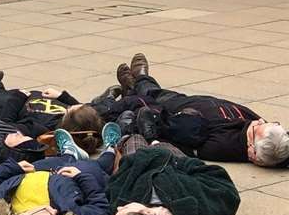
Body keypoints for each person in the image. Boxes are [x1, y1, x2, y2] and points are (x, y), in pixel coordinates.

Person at [93, 54, 288, 167]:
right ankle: (134, 85)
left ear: (252, 153)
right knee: (153, 92)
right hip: (190, 100)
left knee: (151, 92)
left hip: (169, 108)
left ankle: (138, 81)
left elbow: (184, 138)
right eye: (268, 122)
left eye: (257, 129)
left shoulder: (223, 145)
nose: (258, 122)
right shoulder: (266, 137)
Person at [95, 140, 239, 215]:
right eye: (125, 209)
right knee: (161, 142)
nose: (120, 207)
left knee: (132, 138)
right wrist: (179, 162)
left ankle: (126, 133)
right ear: (148, 214)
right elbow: (220, 182)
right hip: (174, 160)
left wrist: (133, 162)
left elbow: (115, 182)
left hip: (140, 160)